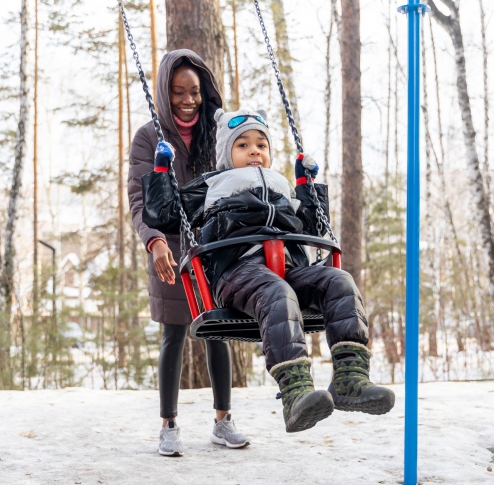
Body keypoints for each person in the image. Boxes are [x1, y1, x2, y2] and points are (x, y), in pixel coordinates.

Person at [142, 107, 396, 434]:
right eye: (243, 145)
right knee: (277, 292)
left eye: (261, 145)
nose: (254, 152)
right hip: (237, 271)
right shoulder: (212, 184)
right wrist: (161, 170)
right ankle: (295, 393)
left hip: (288, 268)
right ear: (226, 153)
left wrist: (306, 186)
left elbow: (314, 224)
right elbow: (163, 215)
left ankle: (350, 379)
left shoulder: (282, 186)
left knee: (339, 281)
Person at [127, 50, 249, 457]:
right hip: (170, 248)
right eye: (177, 91)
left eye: (194, 91)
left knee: (218, 331)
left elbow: (239, 177)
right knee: (174, 334)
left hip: (213, 243)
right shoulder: (149, 136)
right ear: (165, 91)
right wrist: (153, 240)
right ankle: (169, 424)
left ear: (204, 90)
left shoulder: (218, 132)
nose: (187, 99)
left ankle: (223, 420)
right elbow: (138, 200)